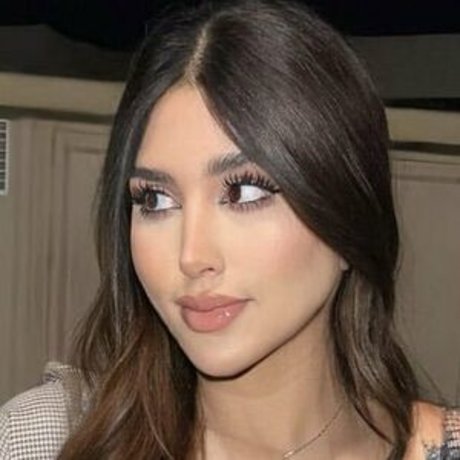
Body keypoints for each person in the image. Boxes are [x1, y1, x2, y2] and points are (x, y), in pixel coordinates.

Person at [1, 0, 459, 458]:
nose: (192, 255)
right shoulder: (43, 442)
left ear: (347, 213)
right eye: (155, 200)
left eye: (244, 192)